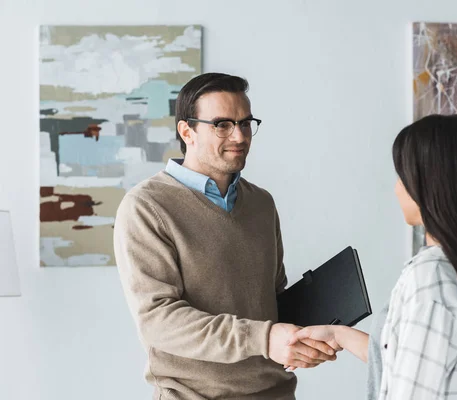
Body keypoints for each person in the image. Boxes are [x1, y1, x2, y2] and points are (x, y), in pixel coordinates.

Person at [114, 72, 336, 400]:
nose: (239, 135)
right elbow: (158, 320)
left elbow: (271, 299)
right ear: (186, 131)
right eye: (222, 124)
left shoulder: (261, 203)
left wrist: (304, 338)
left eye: (245, 123)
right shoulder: (146, 206)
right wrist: (264, 338)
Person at [290, 114, 457, 399]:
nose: (396, 188)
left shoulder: (431, 279)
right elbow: (417, 366)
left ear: (430, 186)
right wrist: (340, 335)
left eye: (403, 176)